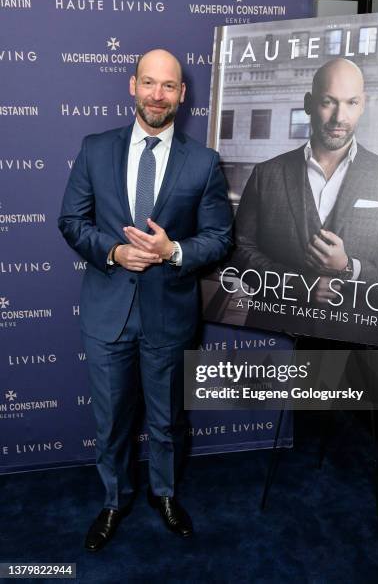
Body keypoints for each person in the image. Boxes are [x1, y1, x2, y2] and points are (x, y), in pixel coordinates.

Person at [58, 49, 232, 550]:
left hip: (169, 316)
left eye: (169, 86)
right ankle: (114, 500)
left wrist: (173, 250)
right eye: (150, 83)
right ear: (132, 85)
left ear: (182, 94)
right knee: (111, 421)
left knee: (166, 420)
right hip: (107, 313)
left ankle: (165, 494)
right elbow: (71, 222)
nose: (158, 95)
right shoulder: (94, 149)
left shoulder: (203, 162)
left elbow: (219, 237)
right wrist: (113, 251)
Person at [231, 57, 378, 345]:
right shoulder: (266, 174)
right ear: (309, 103)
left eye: (351, 103)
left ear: (363, 104)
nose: (339, 117)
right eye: (328, 102)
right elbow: (237, 252)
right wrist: (299, 286)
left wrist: (350, 268)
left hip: (355, 345)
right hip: (272, 340)